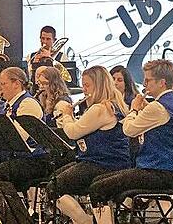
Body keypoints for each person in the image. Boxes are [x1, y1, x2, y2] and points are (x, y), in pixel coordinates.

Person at [88, 59, 173, 224]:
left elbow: (128, 130)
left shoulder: (158, 107)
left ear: (162, 83)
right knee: (100, 181)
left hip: (159, 172)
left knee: (98, 188)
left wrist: (134, 108)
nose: (144, 84)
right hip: (169, 170)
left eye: (148, 80)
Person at [51, 66, 132, 224]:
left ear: (99, 85)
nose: (84, 89)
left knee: (54, 187)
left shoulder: (100, 108)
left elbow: (73, 133)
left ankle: (85, 220)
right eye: (83, 84)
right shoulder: (114, 104)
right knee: (54, 177)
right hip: (112, 161)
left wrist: (67, 116)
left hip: (102, 163)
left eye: (87, 85)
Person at [0, 67, 50, 198]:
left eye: (3, 84)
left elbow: (18, 137)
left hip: (33, 160)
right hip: (11, 157)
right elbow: (1, 141)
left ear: (16, 84)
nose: (0, 88)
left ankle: (15, 215)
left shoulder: (28, 104)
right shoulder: (4, 105)